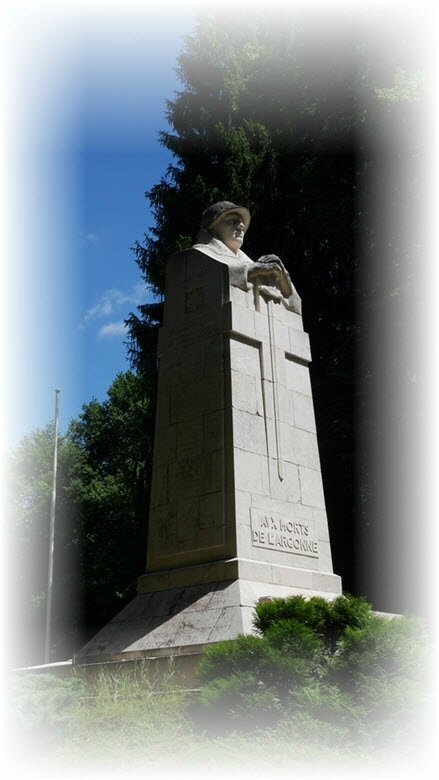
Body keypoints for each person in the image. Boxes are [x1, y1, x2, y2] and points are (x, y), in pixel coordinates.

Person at [192, 201, 301, 313]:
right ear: (213, 226)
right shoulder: (199, 254)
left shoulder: (250, 263)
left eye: (242, 222)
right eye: (232, 221)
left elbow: (295, 307)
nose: (241, 226)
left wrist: (283, 278)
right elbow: (215, 276)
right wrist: (250, 271)